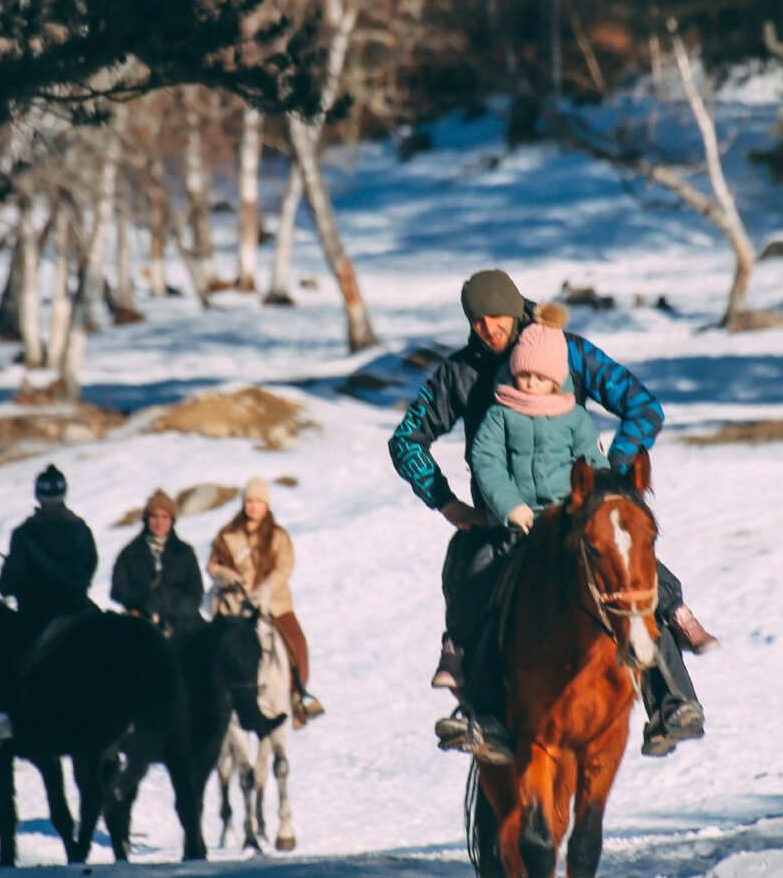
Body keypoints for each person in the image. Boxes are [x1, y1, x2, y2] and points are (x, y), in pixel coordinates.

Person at [387, 268, 713, 761]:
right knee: (473, 583)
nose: (487, 331)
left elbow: (643, 407)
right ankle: (484, 718)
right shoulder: (460, 372)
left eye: (495, 319)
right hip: (507, 520)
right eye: (476, 322)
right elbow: (405, 439)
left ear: (514, 311)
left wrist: (614, 482)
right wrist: (446, 501)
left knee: (635, 581)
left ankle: (672, 704)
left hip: (580, 513)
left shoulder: (569, 352)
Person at [207, 478, 324, 728]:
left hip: (274, 604)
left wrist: (266, 588)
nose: (252, 506)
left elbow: (284, 567)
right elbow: (213, 564)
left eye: (258, 502)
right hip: (236, 606)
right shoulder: (228, 535)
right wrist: (226, 576)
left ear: (266, 505)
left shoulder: (278, 536)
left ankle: (297, 695)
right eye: (249, 501)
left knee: (297, 643)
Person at [0, 464, 98, 632]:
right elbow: (91, 565)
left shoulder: (23, 534)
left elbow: (7, 585)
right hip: (78, 608)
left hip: (35, 618)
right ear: (64, 493)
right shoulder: (82, 529)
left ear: (38, 495)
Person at [111, 489, 203, 638]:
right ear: (146, 519)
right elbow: (118, 590)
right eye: (154, 516)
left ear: (172, 520)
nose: (159, 522)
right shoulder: (130, 553)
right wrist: (143, 602)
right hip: (141, 623)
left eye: (164, 517)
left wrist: (177, 612)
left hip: (183, 624)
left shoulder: (185, 552)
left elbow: (196, 592)